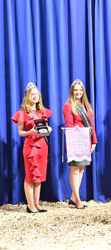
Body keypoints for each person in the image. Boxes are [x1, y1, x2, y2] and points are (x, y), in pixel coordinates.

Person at [11, 82, 53, 213]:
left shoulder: (42, 111)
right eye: (32, 94)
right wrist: (31, 132)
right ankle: (30, 206)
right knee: (30, 176)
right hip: (31, 148)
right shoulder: (22, 113)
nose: (35, 96)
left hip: (43, 146)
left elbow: (45, 128)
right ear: (27, 96)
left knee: (39, 176)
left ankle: (37, 204)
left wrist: (49, 129)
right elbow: (20, 133)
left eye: (37, 94)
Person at [63, 79, 97, 209]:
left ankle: (73, 197)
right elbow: (69, 125)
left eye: (80, 90)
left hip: (86, 142)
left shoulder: (87, 105)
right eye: (76, 90)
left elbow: (92, 125)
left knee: (81, 170)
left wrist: (94, 141)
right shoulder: (68, 106)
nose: (78, 92)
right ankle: (78, 201)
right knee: (75, 170)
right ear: (72, 92)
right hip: (75, 141)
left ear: (83, 92)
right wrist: (76, 129)